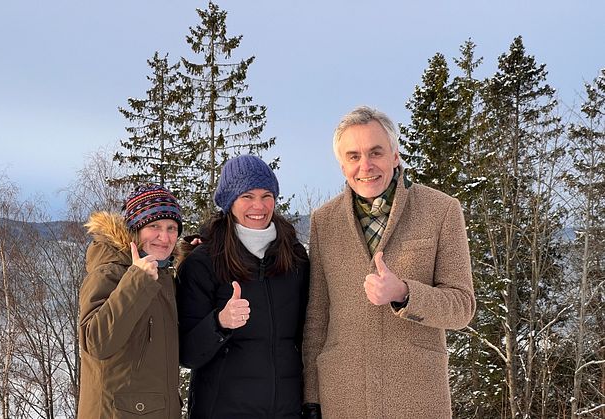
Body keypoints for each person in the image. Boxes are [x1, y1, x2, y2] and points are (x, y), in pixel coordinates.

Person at [301, 106, 476, 418]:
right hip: (343, 398)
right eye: (353, 156)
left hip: (417, 397)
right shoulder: (323, 221)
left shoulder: (441, 209)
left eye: (376, 152)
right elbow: (317, 318)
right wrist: (312, 399)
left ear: (395, 156)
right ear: (342, 166)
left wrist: (405, 293)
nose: (365, 165)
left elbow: (462, 306)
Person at [177, 154, 310, 418]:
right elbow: (187, 353)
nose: (258, 206)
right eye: (247, 196)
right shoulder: (203, 263)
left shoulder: (294, 257)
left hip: (287, 411)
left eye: (266, 195)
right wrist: (220, 322)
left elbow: (308, 336)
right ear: (230, 202)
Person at [78, 184, 184, 419]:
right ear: (135, 229)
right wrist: (136, 281)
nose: (164, 237)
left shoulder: (164, 275)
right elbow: (96, 341)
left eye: (172, 228)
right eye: (154, 226)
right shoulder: (109, 273)